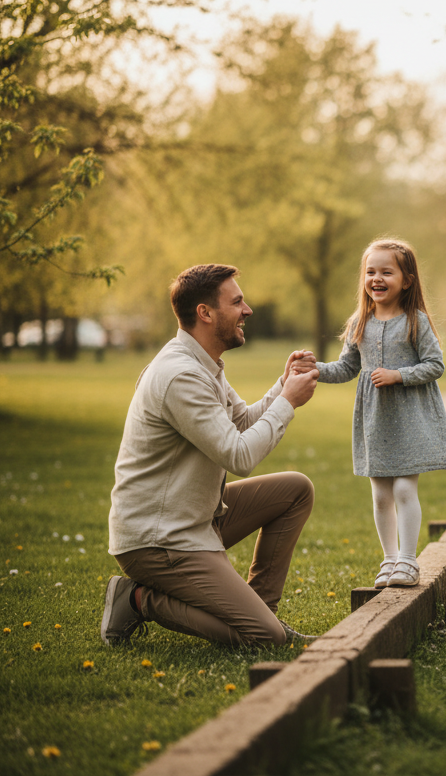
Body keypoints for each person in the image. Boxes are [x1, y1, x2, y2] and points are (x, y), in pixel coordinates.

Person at [103, 264, 320, 647]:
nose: (247, 310)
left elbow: (240, 421)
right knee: (264, 638)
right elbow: (238, 455)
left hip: (196, 516)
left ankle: (260, 613)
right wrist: (287, 403)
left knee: (295, 490)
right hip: (159, 540)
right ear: (205, 313)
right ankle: (137, 599)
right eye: (237, 302)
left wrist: (281, 386)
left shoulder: (204, 364)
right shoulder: (180, 376)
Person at [296, 238, 446, 590]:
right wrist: (314, 369)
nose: (376, 278)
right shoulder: (359, 321)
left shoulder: (416, 321)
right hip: (374, 421)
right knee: (380, 494)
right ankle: (390, 558)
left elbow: (435, 365)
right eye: (370, 272)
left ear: (406, 280)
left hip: (410, 417)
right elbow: (347, 367)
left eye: (386, 271)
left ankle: (409, 561)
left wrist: (400, 375)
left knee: (403, 490)